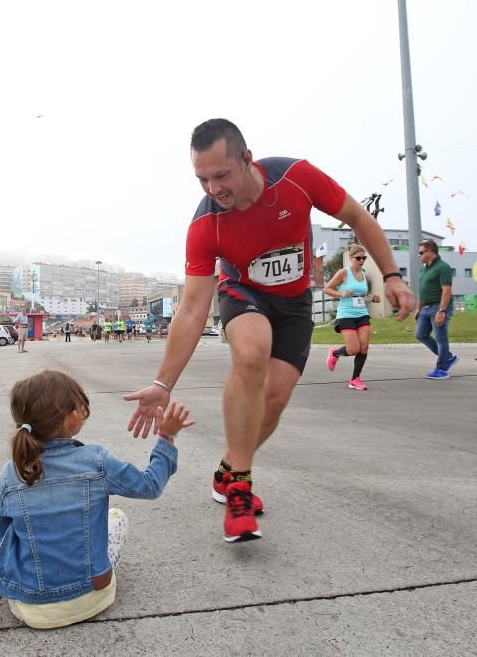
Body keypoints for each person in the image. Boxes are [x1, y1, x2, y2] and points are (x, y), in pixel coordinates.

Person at [125, 118, 414, 544]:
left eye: (220, 175)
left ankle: (229, 469)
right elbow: (190, 308)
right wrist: (162, 382)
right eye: (202, 179)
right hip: (244, 293)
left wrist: (391, 275)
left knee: (273, 400)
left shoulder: (296, 178)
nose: (212, 189)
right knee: (251, 353)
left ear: (246, 159)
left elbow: (357, 216)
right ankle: (240, 488)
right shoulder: (206, 225)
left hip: (294, 303)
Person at [0, 370, 192, 629]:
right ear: (73, 417)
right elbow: (150, 486)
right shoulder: (97, 461)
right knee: (117, 518)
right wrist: (166, 439)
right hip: (97, 596)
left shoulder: (10, 473)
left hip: (35, 610)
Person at [322, 244, 381, 390]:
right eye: (358, 258)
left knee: (364, 347)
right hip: (346, 315)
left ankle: (355, 379)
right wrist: (341, 294)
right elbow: (326, 289)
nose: (361, 261)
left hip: (362, 313)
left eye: (364, 258)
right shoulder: (344, 273)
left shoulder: (363, 274)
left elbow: (363, 295)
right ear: (351, 258)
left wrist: (373, 298)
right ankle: (335, 353)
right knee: (354, 349)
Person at [415, 239, 459, 380]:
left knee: (441, 338)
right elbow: (423, 290)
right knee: (421, 335)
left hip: (437, 307)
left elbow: (446, 291)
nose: (419, 255)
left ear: (430, 252)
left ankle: (442, 369)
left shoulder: (443, 267)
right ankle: (448, 357)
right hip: (425, 308)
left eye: (421, 252)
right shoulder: (424, 270)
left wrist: (442, 311)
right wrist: (418, 308)